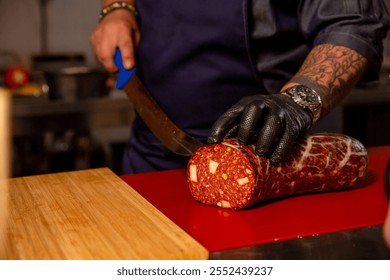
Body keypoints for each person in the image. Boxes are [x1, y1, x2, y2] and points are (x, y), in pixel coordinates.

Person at [91, 0, 390, 174]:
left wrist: (296, 102)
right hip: (152, 155)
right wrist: (118, 9)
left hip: (270, 161)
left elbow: (352, 23)